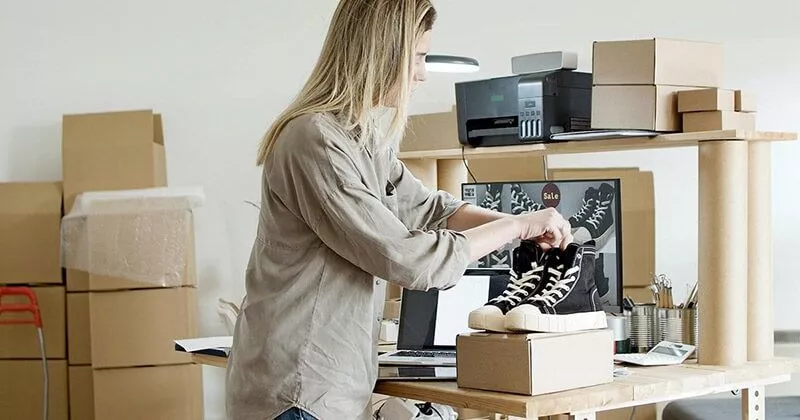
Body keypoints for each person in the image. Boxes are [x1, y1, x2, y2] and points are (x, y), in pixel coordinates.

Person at [225, 1, 574, 419]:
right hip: (299, 391)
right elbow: (407, 258)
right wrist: (517, 227)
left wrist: (522, 225)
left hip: (328, 386)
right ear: (382, 52)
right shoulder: (314, 141)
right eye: (420, 56)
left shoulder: (362, 138)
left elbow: (428, 208)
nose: (423, 73)